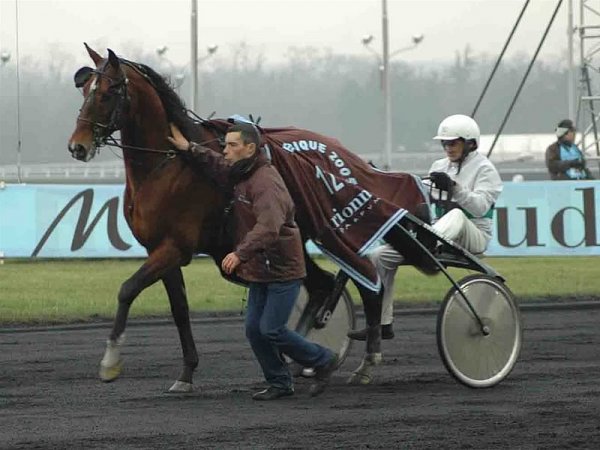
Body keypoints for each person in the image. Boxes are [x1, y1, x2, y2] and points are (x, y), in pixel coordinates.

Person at [167, 122, 337, 400]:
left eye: (232, 145)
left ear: (250, 148)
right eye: (226, 144)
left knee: (271, 329)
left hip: (283, 269)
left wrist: (239, 253)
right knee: (254, 331)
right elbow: (217, 165)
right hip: (261, 268)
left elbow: (269, 227)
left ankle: (322, 359)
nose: (225, 150)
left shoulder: (266, 182)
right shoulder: (241, 171)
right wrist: (189, 148)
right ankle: (280, 383)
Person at [348, 114, 503, 341]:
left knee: (457, 215)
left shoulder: (486, 169)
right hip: (438, 236)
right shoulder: (439, 166)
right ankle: (382, 324)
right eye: (444, 143)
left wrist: (455, 187)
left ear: (470, 143)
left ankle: (426, 245)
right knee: (379, 256)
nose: (448, 148)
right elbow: (419, 197)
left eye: (453, 143)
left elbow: (479, 208)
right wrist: (380, 178)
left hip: (474, 236)